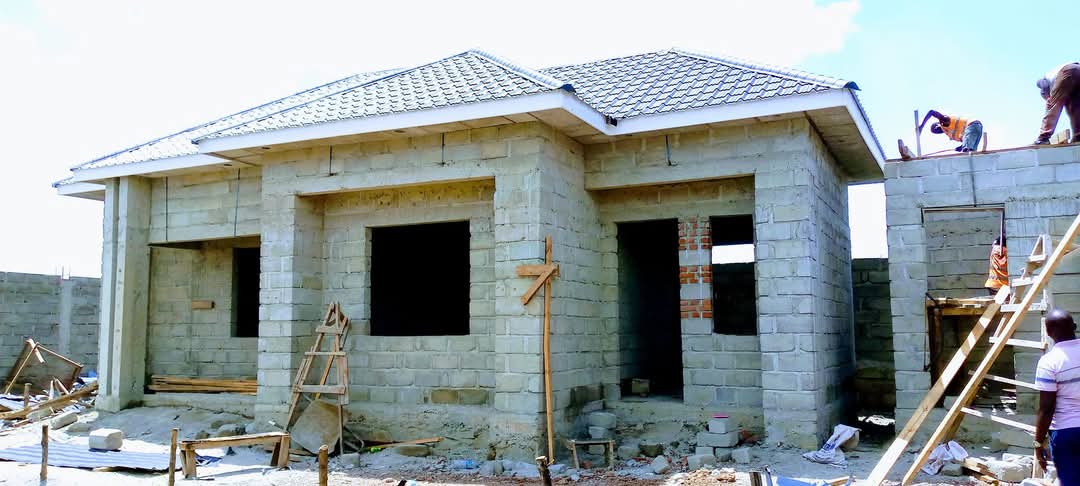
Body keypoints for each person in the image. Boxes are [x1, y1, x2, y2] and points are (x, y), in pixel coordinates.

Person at [1034, 309, 1080, 484]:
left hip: (1066, 432)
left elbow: (1046, 408)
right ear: (1074, 326)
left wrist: (1038, 444)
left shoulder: (1049, 362)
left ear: (1048, 332)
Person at [1034, 62, 1080, 145]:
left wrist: (1050, 100)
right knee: (1075, 107)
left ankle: (1043, 138)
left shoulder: (1044, 82)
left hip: (1067, 71)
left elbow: (1043, 84)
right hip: (1078, 70)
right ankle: (1078, 136)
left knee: (1054, 105)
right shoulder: (1062, 87)